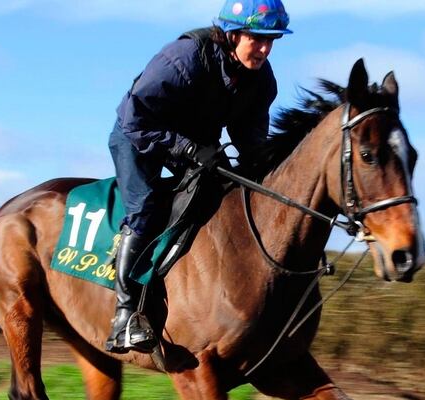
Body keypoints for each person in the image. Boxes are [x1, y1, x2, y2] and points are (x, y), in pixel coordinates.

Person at [105, 0, 293, 354]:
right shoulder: (184, 58)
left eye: (272, 40)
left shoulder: (262, 80)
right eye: (258, 39)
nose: (266, 49)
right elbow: (136, 120)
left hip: (192, 143)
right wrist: (187, 149)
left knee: (220, 195)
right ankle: (125, 316)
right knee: (145, 208)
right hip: (138, 136)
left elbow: (250, 142)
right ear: (233, 34)